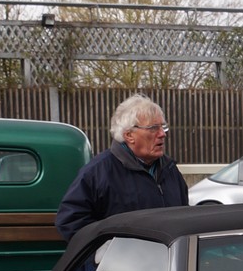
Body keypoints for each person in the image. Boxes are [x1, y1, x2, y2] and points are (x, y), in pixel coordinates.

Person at [55, 95, 189, 240]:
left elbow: (184, 216)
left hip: (166, 259)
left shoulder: (170, 170)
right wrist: (104, 251)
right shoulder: (98, 173)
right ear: (129, 135)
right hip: (122, 261)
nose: (162, 134)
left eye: (163, 127)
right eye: (153, 128)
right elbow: (70, 221)